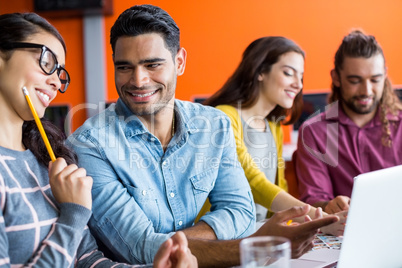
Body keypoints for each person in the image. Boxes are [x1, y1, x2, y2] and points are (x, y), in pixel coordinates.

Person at [67, 5, 339, 267]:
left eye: (153, 65)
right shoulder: (90, 145)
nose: (138, 80)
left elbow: (241, 214)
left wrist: (165, 243)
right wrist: (258, 245)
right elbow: (139, 249)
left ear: (180, 62)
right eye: (124, 67)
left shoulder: (213, 125)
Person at [0, 12, 196, 267]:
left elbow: (87, 260)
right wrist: (73, 215)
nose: (55, 82)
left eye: (60, 71)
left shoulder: (47, 160)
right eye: (46, 61)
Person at [203, 36, 346, 235]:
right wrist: (319, 220)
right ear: (260, 71)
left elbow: (279, 187)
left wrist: (295, 227)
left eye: (301, 77)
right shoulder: (225, 116)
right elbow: (252, 182)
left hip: (260, 232)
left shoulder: (273, 125)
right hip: (224, 234)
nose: (298, 84)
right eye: (289, 73)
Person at [294, 30, 402, 214]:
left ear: (385, 75)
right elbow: (314, 200)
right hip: (343, 231)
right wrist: (328, 205)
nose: (366, 91)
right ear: (336, 77)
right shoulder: (314, 132)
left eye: (375, 79)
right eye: (354, 81)